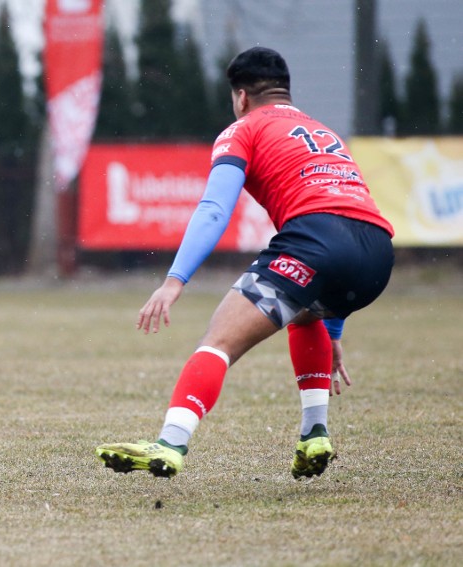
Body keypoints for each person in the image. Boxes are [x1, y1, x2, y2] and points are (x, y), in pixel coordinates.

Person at [96, 47, 394, 479]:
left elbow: (215, 208)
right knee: (307, 315)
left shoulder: (244, 129)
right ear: (285, 91)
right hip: (378, 254)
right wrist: (335, 324)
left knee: (219, 341)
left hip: (316, 241)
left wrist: (174, 281)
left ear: (240, 97)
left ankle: (170, 443)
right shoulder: (325, 133)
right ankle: (315, 433)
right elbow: (348, 219)